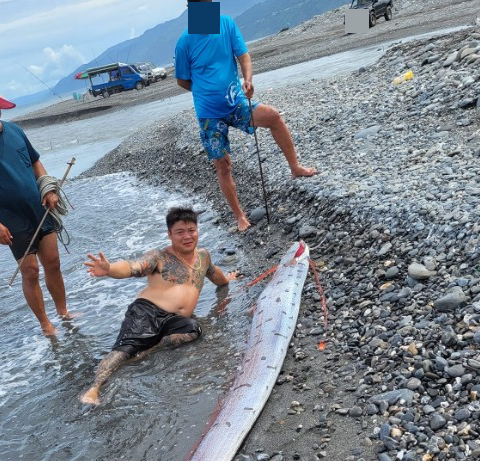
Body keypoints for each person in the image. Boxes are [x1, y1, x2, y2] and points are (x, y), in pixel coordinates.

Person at [175, 0, 317, 232]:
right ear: (190, 7)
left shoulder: (226, 24)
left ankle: (295, 167)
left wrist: (248, 80)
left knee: (273, 117)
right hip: (209, 113)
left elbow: (244, 57)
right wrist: (204, 91)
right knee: (223, 165)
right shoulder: (184, 42)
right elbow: (182, 80)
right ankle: (240, 216)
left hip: (237, 102)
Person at [80, 206, 239, 405]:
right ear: (170, 234)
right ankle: (95, 388)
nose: (187, 236)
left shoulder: (203, 257)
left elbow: (215, 275)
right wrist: (109, 268)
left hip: (176, 321)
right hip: (146, 312)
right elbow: (134, 267)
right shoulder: (159, 257)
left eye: (191, 230)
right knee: (124, 349)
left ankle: (146, 352)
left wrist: (228, 281)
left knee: (193, 330)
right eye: (180, 232)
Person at [0, 77, 73, 336]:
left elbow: (36, 163)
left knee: (53, 262)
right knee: (30, 271)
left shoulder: (15, 130)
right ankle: (45, 324)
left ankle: (64, 312)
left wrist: (49, 188)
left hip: (39, 206)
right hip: (10, 219)